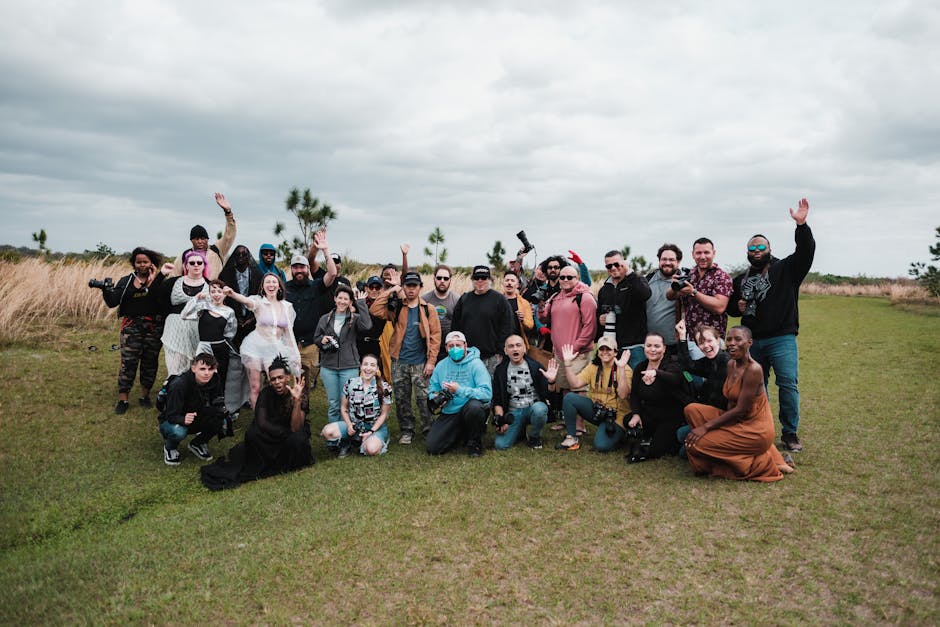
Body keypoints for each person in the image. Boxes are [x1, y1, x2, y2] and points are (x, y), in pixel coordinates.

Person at [727, 198, 815, 452]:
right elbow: (731, 307)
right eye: (752, 247)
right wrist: (737, 307)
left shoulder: (786, 269)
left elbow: (806, 251)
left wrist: (801, 226)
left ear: (769, 248)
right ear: (747, 252)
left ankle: (790, 433)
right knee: (756, 387)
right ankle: (760, 429)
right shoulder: (740, 279)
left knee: (787, 384)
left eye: (760, 246)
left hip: (782, 338)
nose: (756, 250)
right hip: (752, 341)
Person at [684, 326, 795, 481]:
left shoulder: (754, 369)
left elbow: (741, 409)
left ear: (749, 342)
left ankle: (764, 464)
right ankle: (748, 456)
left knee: (696, 445)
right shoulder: (731, 364)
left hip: (756, 429)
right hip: (737, 421)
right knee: (692, 409)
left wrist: (706, 427)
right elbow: (731, 402)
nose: (732, 343)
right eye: (729, 339)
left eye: (738, 339)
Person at [199, 357, 313, 489]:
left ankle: (288, 462)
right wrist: (283, 433)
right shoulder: (266, 394)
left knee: (297, 438)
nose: (277, 382)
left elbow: (295, 428)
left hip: (290, 432)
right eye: (273, 379)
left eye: (280, 378)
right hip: (273, 431)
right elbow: (262, 422)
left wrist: (296, 401)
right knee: (252, 434)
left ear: (287, 377)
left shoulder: (300, 395)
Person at [370, 270, 442, 445]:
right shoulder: (397, 307)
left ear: (420, 287)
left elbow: (436, 337)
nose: (411, 289)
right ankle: (407, 430)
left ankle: (428, 429)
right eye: (407, 286)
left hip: (420, 363)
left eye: (414, 286)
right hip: (399, 361)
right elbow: (375, 309)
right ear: (403, 287)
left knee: (423, 399)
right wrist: (391, 289)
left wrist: (431, 362)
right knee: (402, 399)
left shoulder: (428, 309)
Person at [99, 247, 165, 414]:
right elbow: (112, 302)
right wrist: (105, 290)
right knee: (128, 363)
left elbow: (161, 299)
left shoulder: (160, 281)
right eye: (138, 262)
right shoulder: (126, 281)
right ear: (134, 264)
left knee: (150, 363)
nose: (142, 265)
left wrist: (153, 280)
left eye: (145, 262)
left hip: (154, 328)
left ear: (152, 263)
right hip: (131, 327)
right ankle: (123, 399)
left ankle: (144, 396)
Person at [224, 273, 301, 408]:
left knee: (276, 383)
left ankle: (276, 414)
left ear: (279, 286)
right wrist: (233, 294)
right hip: (256, 347)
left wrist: (294, 355)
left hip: (275, 347)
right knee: (255, 386)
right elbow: (246, 301)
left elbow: (289, 334)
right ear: (263, 287)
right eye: (268, 282)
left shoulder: (286, 307)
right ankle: (258, 416)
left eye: (274, 282)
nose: (271, 285)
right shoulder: (258, 302)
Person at [553, 338, 632, 452]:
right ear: (598, 352)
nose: (604, 352)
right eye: (601, 349)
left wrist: (621, 368)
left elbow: (623, 395)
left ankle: (621, 435)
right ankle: (571, 438)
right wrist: (568, 364)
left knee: (601, 446)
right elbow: (575, 384)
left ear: (615, 352)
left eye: (608, 349)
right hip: (599, 410)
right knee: (570, 398)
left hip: (616, 416)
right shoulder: (594, 367)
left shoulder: (624, 368)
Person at [624, 332, 692, 463]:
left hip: (670, 417)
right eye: (649, 346)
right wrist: (636, 414)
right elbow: (635, 394)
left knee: (655, 451)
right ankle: (650, 436)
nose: (652, 349)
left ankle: (671, 439)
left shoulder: (672, 364)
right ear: (644, 347)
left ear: (664, 348)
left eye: (657, 346)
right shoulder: (640, 367)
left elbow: (675, 379)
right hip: (650, 414)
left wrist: (656, 373)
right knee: (628, 419)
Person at [285, 232, 337, 394]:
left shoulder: (316, 286)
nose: (299, 270)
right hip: (289, 343)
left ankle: (303, 409)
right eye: (295, 267)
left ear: (308, 269)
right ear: (291, 269)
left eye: (302, 267)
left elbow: (332, 274)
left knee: (306, 386)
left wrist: (325, 250)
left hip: (310, 344)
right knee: (288, 385)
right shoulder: (284, 288)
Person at [537, 265, 597, 407]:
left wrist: (575, 348)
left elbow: (590, 327)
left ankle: (580, 421)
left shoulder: (585, 297)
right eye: (562, 277)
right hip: (560, 354)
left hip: (578, 353)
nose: (565, 280)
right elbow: (544, 319)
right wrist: (540, 308)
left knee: (577, 388)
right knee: (565, 387)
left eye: (569, 277)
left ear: (577, 278)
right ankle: (568, 417)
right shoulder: (556, 297)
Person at [426, 332, 493, 457]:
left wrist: (459, 390)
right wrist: (435, 397)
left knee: (475, 408)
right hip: (450, 411)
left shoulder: (476, 364)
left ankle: (474, 442)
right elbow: (432, 388)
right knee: (433, 447)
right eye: (451, 346)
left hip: (469, 408)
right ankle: (461, 434)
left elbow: (487, 393)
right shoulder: (441, 365)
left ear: (465, 346)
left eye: (458, 345)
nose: (455, 349)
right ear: (446, 348)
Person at [314, 284, 372, 426]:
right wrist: (322, 340)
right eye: (340, 298)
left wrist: (361, 303)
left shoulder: (355, 319)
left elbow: (367, 326)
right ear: (335, 299)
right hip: (328, 367)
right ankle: (334, 434)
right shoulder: (325, 319)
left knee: (347, 403)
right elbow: (316, 338)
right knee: (333, 403)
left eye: (346, 299)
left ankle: (346, 432)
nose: (342, 301)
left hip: (349, 366)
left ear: (350, 302)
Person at [158, 353, 230, 465]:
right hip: (172, 419)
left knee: (222, 420)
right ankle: (170, 448)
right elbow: (170, 415)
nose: (207, 373)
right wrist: (183, 419)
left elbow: (218, 403)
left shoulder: (215, 379)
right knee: (178, 432)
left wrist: (221, 413)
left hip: (197, 414)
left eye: (210, 369)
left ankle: (197, 443)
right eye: (202, 369)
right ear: (193, 368)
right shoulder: (179, 385)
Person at [218, 244, 263, 417]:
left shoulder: (257, 274)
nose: (242, 257)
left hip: (252, 324)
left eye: (245, 254)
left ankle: (248, 397)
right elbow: (223, 298)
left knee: (251, 365)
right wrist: (236, 317)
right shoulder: (226, 274)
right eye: (238, 254)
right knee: (234, 365)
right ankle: (232, 401)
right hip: (233, 323)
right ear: (234, 257)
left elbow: (261, 298)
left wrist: (251, 318)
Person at [667, 237, 732, 355]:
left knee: (713, 367)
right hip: (690, 338)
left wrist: (693, 292)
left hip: (712, 340)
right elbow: (669, 296)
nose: (702, 257)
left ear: (714, 253)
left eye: (706, 252)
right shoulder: (689, 274)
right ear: (693, 254)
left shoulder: (721, 276)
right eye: (698, 253)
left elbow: (719, 307)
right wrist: (675, 286)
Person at [321, 354, 393, 457]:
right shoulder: (350, 383)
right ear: (360, 366)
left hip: (374, 427)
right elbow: (343, 408)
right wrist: (349, 425)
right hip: (354, 425)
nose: (368, 368)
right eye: (365, 364)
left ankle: (369, 441)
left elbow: (384, 414)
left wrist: (371, 431)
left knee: (371, 450)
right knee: (327, 431)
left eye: (372, 365)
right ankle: (347, 443)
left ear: (377, 368)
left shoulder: (385, 388)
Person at [451, 265, 516, 377]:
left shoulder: (499, 300)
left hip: (491, 357)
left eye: (484, 278)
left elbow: (508, 327)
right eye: (477, 278)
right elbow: (455, 326)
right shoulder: (464, 299)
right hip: (467, 356)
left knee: (489, 386)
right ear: (472, 280)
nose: (480, 281)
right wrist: (456, 348)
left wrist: (501, 352)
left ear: (490, 280)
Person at [492, 335, 552, 450]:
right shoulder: (500, 370)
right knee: (500, 445)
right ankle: (519, 431)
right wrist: (501, 420)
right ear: (505, 351)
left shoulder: (535, 366)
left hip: (533, 408)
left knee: (540, 409)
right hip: (513, 412)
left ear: (524, 348)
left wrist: (551, 381)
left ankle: (535, 436)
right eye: (511, 346)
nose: (515, 349)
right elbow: (497, 399)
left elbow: (548, 393)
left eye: (518, 345)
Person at [596, 249, 652, 369]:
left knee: (635, 379)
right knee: (613, 380)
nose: (613, 268)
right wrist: (599, 318)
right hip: (611, 348)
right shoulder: (604, 289)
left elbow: (645, 294)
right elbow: (599, 311)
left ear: (624, 263)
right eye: (609, 266)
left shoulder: (636, 281)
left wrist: (629, 273)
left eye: (616, 264)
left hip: (635, 347)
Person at [160, 250, 209, 376]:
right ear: (186, 265)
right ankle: (173, 383)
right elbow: (156, 296)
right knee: (175, 362)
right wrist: (161, 275)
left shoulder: (210, 285)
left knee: (197, 361)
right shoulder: (173, 282)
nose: (196, 265)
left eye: (199, 262)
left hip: (197, 327)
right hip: (175, 326)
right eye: (192, 263)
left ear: (204, 265)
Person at [181, 279, 237, 388]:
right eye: (213, 291)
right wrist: (196, 298)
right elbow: (184, 315)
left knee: (221, 375)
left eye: (219, 291)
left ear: (225, 294)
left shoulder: (229, 311)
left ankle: (219, 396)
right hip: (204, 347)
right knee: (202, 373)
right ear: (209, 293)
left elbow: (230, 331)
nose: (216, 294)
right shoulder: (203, 307)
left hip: (221, 347)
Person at [171, 193, 237, 280]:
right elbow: (173, 278)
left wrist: (228, 212)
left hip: (213, 288)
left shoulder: (217, 250)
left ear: (207, 239)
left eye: (203, 238)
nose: (200, 241)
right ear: (191, 240)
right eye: (196, 239)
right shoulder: (184, 256)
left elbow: (229, 234)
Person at [645, 244, 684, 355]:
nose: (667, 262)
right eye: (664, 259)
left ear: (678, 262)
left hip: (674, 346)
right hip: (649, 346)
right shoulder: (647, 280)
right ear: (659, 260)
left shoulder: (684, 281)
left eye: (671, 259)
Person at [422, 264, 459, 362]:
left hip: (450, 349)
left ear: (450, 280)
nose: (442, 281)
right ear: (434, 279)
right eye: (439, 278)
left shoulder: (457, 300)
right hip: (429, 348)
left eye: (446, 278)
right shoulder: (424, 300)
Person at [357, 276, 389, 375]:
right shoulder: (359, 301)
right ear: (367, 288)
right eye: (371, 287)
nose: (374, 290)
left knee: (374, 375)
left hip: (374, 344)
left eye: (377, 287)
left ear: (382, 289)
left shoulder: (385, 305)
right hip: (358, 344)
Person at [501, 271, 535, 349]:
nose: (509, 283)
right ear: (503, 283)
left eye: (512, 281)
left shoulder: (524, 303)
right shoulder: (497, 301)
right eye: (507, 280)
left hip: (517, 344)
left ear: (517, 285)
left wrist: (523, 320)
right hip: (500, 344)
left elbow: (530, 325)